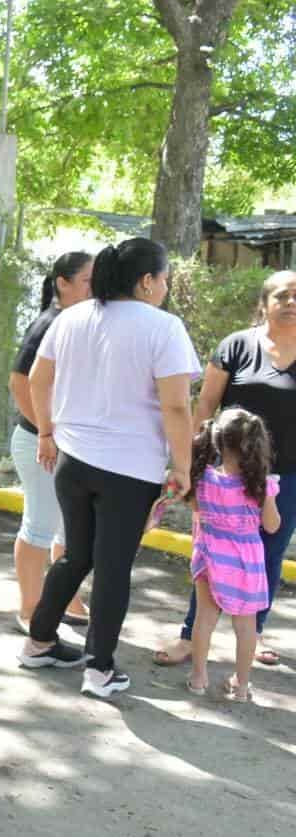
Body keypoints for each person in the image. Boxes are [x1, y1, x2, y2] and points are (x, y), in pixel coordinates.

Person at [17, 237, 201, 698]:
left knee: (77, 555)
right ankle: (99, 669)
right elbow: (177, 408)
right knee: (113, 567)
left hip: (72, 461)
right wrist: (183, 466)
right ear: (145, 281)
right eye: (163, 279)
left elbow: (37, 379)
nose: (164, 288)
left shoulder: (72, 317)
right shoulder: (163, 327)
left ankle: (38, 643)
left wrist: (45, 433)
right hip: (129, 468)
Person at [154, 270, 296, 668]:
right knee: (210, 554)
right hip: (226, 473)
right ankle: (190, 636)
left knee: (268, 553)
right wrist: (189, 461)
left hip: (285, 476)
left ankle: (255, 632)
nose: (291, 303)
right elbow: (203, 410)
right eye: (282, 295)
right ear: (264, 304)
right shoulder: (236, 346)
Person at [8, 252, 93, 633]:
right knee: (40, 525)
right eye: (88, 281)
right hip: (39, 444)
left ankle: (66, 600)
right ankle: (29, 609)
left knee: (66, 529)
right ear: (63, 283)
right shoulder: (51, 322)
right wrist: (45, 431)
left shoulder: (74, 323)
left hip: (63, 444)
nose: (96, 289)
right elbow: (19, 382)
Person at [182, 409, 280, 701]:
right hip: (245, 561)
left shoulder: (202, 479)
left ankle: (198, 680)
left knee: (204, 620)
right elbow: (272, 526)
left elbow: (198, 513)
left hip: (210, 556)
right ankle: (241, 686)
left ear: (217, 442)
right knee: (246, 626)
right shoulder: (261, 485)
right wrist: (269, 497)